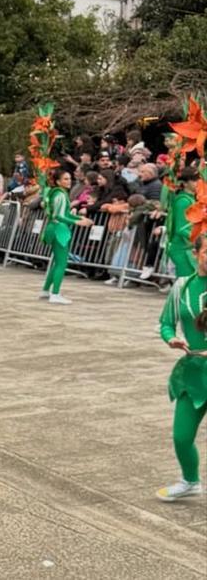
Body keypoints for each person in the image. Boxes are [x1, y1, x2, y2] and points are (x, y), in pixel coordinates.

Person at [155, 233, 207, 502]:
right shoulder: (182, 287)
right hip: (193, 372)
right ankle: (190, 481)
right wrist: (171, 338)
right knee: (181, 437)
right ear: (195, 254)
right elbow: (166, 323)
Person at [41, 169, 94, 304]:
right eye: (65, 179)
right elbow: (58, 216)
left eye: (69, 178)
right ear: (58, 181)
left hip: (55, 228)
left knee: (57, 262)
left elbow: (65, 214)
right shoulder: (60, 194)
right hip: (59, 230)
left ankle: (46, 290)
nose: (69, 181)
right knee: (61, 263)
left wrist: (80, 219)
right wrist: (77, 222)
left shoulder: (58, 193)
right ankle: (55, 294)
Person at [165, 167, 199, 279]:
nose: (198, 183)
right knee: (184, 284)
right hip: (182, 249)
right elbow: (181, 229)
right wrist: (201, 239)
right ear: (185, 183)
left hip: (188, 248)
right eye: (194, 180)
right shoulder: (183, 201)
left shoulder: (192, 200)